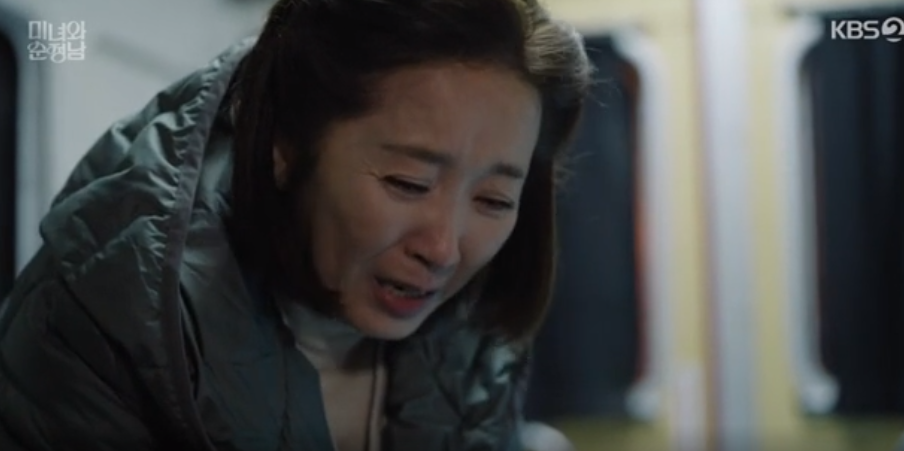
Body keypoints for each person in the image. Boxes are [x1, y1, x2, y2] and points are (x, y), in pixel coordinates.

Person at [0, 0, 592, 450]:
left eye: (493, 200)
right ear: (284, 144)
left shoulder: (478, 331)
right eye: (408, 183)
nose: (443, 249)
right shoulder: (98, 322)